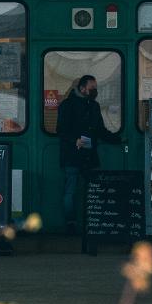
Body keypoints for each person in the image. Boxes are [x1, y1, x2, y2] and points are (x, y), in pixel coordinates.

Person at [56, 74, 120, 233]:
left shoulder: (94, 106)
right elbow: (61, 130)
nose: (95, 91)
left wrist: (117, 139)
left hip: (88, 155)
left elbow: (100, 130)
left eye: (95, 88)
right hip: (72, 154)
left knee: (94, 190)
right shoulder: (67, 105)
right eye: (92, 88)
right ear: (82, 88)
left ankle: (93, 222)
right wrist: (74, 140)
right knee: (70, 191)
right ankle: (71, 224)